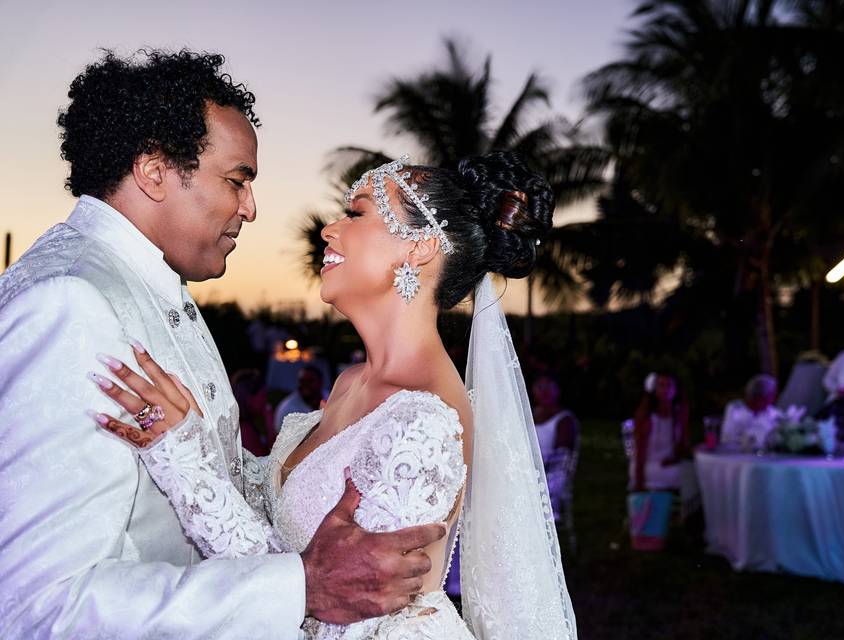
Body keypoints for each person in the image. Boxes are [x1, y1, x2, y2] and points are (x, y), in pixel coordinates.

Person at [0, 50, 443, 639]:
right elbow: (41, 607)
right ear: (154, 171)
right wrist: (300, 587)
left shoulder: (147, 288)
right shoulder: (70, 302)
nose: (250, 208)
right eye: (238, 180)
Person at [93, 152, 577, 637]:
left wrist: (184, 461)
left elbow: (334, 604)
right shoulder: (351, 383)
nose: (329, 230)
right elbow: (282, 518)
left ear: (421, 248)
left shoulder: (424, 420)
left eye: (358, 212)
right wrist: (195, 432)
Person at [531, 373, 580, 521]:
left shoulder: (564, 419)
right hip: (529, 470)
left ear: (557, 390)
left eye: (548, 387)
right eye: (540, 387)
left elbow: (561, 457)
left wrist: (534, 469)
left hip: (551, 475)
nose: (544, 391)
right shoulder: (530, 415)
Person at [631, 372, 690, 491]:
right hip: (648, 466)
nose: (666, 390)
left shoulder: (677, 415)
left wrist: (674, 459)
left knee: (694, 470)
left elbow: (682, 448)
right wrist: (639, 481)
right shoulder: (647, 417)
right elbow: (640, 452)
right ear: (655, 389)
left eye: (669, 385)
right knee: (688, 474)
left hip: (668, 463)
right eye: (661, 385)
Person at [720, 374, 782, 449]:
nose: (773, 399)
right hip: (736, 456)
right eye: (771, 395)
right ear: (760, 397)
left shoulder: (773, 413)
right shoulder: (735, 409)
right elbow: (726, 438)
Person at [232, 368, 276, 456]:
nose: (265, 400)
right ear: (250, 398)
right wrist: (270, 423)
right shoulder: (244, 431)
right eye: (263, 395)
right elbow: (272, 456)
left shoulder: (244, 424)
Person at [275, 363, 328, 428]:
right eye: (302, 381)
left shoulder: (331, 399)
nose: (305, 385)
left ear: (320, 382)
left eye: (310, 381)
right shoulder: (287, 408)